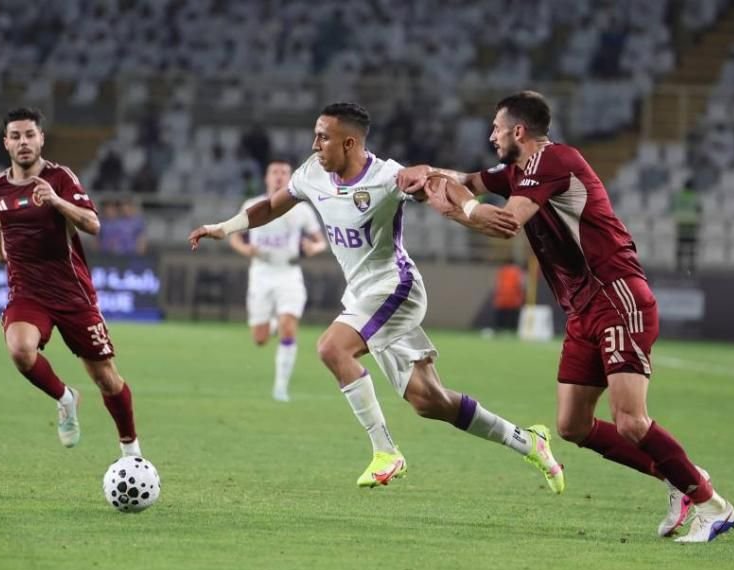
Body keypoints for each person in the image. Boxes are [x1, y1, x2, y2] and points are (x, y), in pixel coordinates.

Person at [399, 91, 734, 543]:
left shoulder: (554, 161)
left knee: (631, 420)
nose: (491, 135)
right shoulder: (518, 172)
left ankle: (713, 506)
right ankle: (682, 476)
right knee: (573, 425)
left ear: (519, 130)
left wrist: (459, 209)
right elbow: (469, 179)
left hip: (616, 296)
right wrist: (429, 174)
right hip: (582, 311)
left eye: (497, 128)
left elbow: (506, 223)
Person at [190, 102, 565, 492]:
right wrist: (225, 227)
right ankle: (527, 441)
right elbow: (271, 206)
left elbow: (435, 179)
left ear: (349, 143)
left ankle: (386, 452)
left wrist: (470, 207)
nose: (315, 144)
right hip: (363, 296)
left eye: (323, 137)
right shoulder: (312, 173)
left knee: (332, 348)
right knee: (429, 400)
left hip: (395, 288)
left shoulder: (386, 177)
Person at [0, 107, 142, 457]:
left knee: (106, 378)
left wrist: (56, 201)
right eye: (16, 136)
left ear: (41, 139)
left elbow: (93, 224)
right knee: (20, 350)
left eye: (30, 135)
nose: (23, 142)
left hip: (72, 294)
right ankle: (66, 398)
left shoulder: (60, 178)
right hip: (27, 292)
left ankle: (132, 452)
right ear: (6, 142)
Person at [227, 159, 327, 402]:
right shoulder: (252, 205)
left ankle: (281, 388)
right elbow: (234, 237)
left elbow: (321, 241)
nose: (279, 176)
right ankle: (273, 325)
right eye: (275, 172)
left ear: (290, 177)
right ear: (267, 177)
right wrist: (246, 249)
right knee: (260, 339)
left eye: (284, 172)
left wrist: (313, 248)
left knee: (289, 327)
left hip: (289, 273)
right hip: (261, 273)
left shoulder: (301, 209)